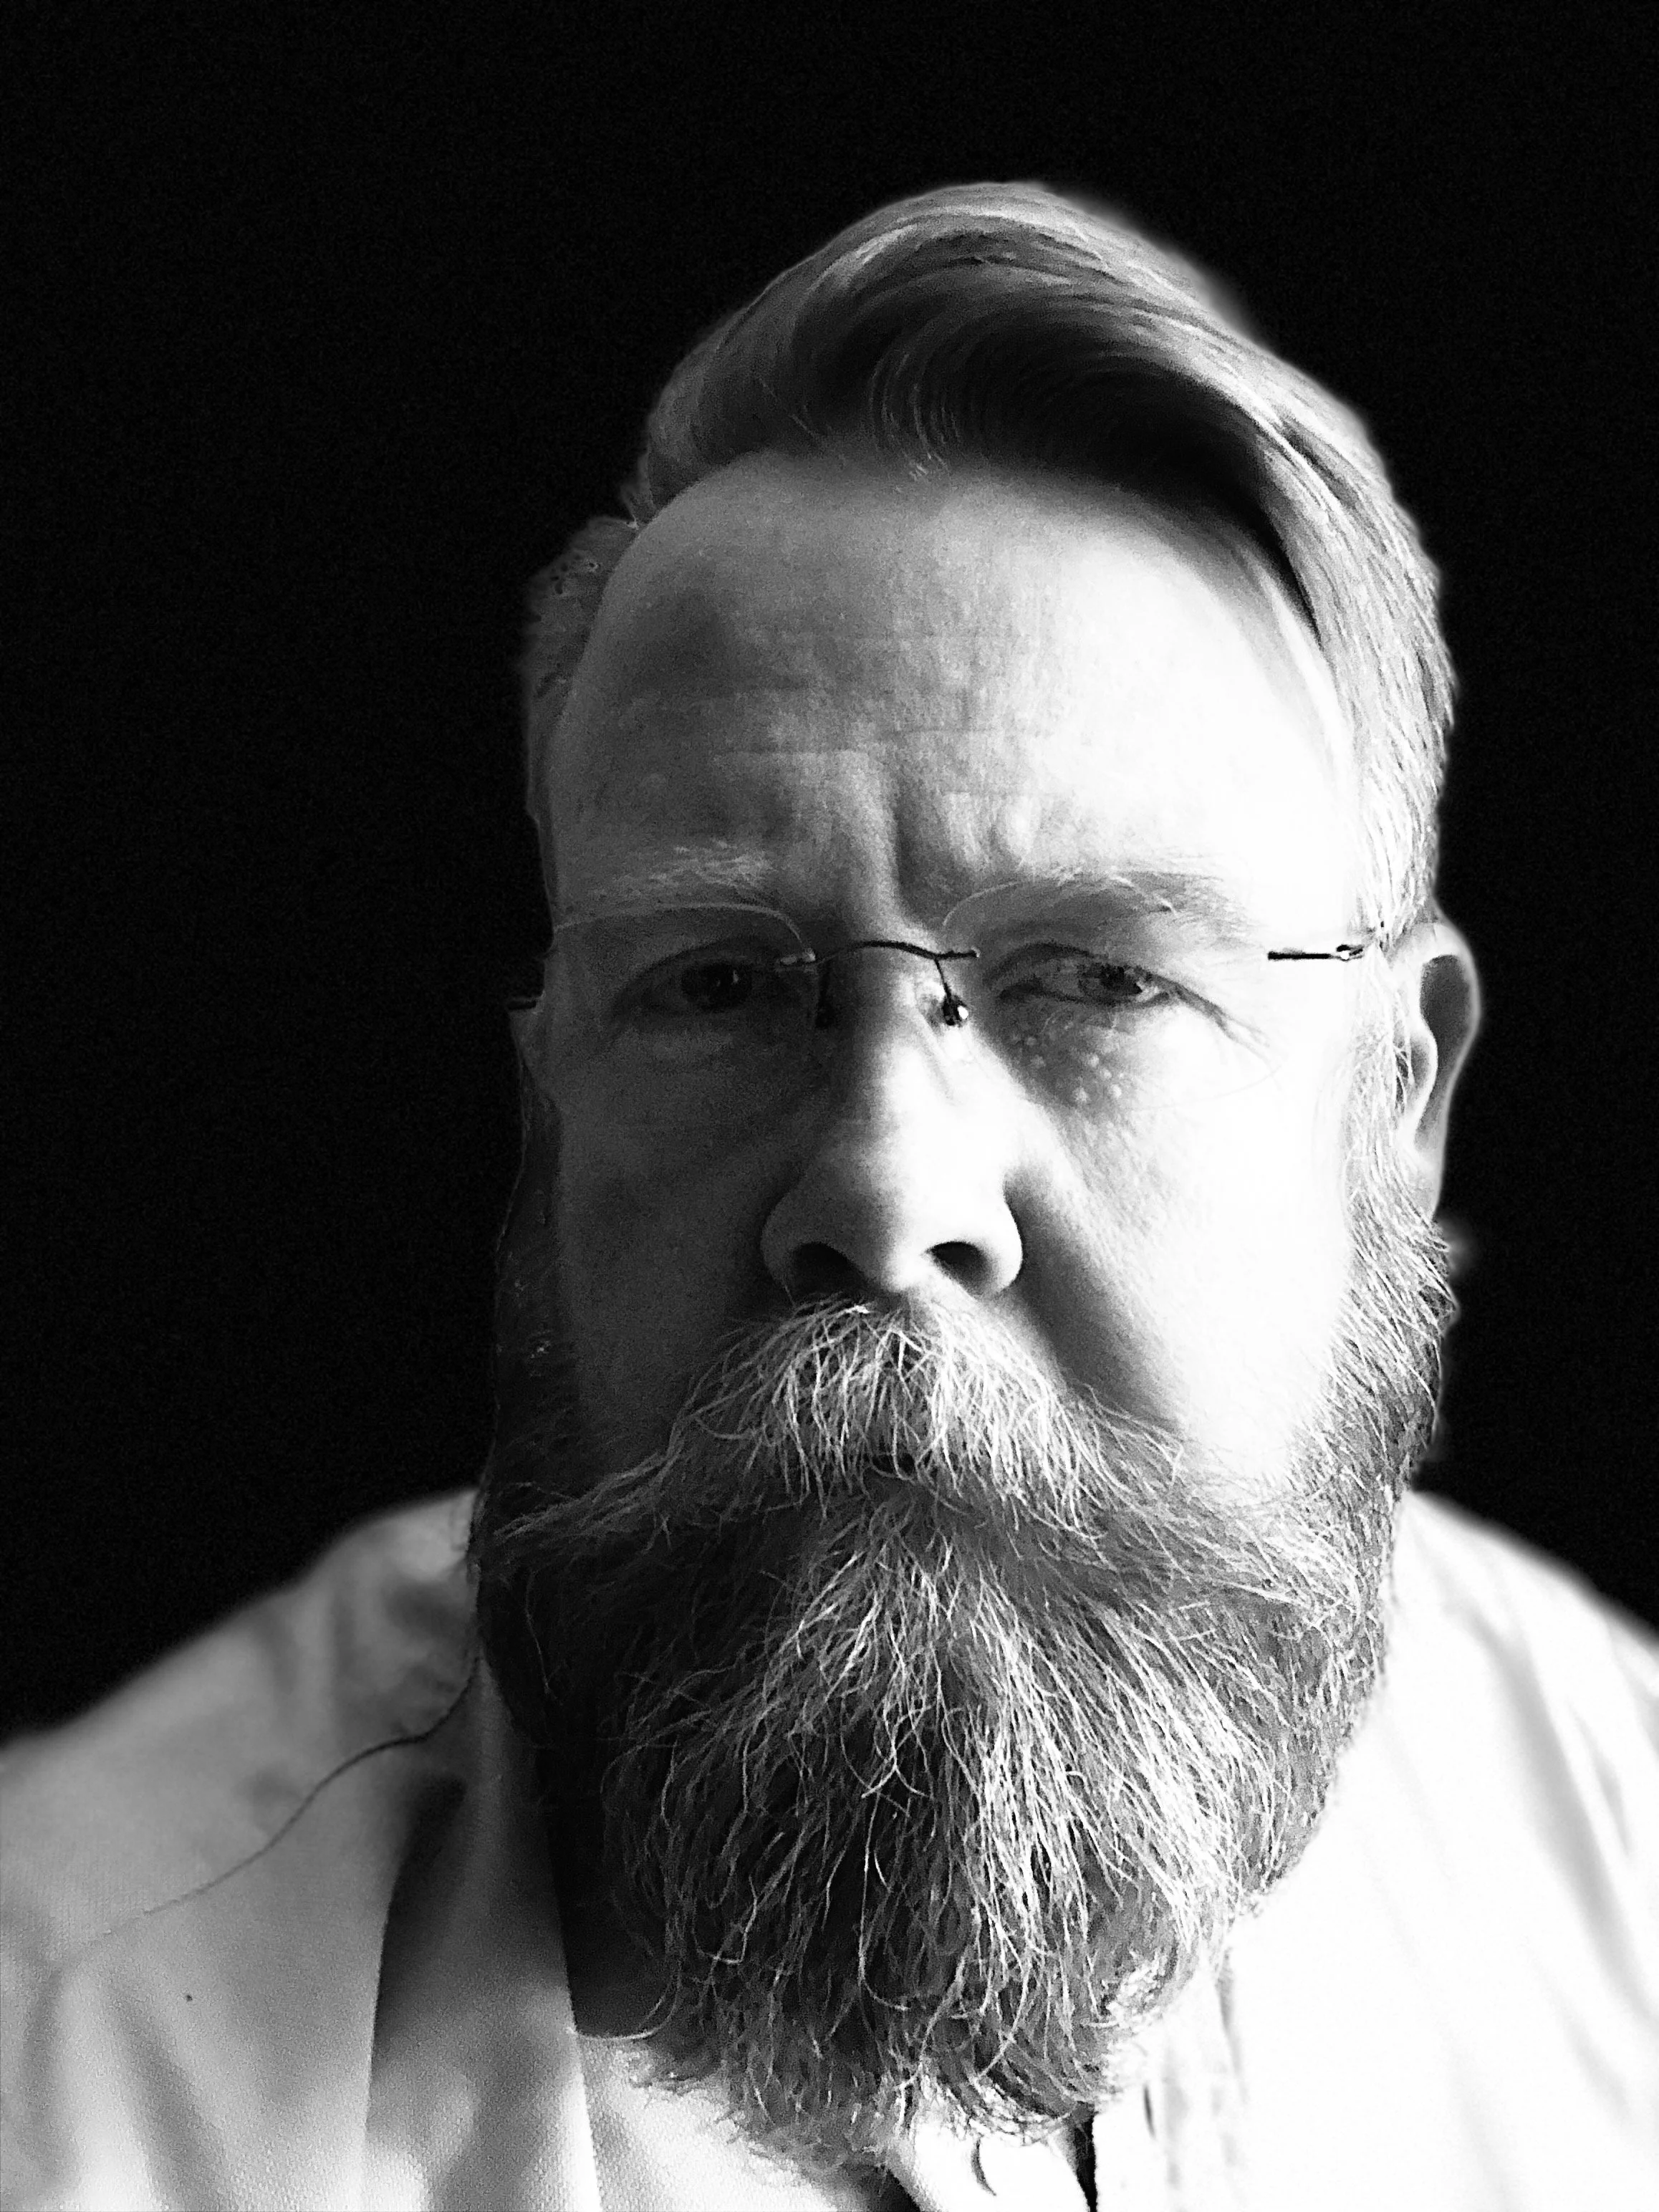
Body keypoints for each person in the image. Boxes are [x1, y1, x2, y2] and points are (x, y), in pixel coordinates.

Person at [4, 181, 1656, 2212]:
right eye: (716, 986)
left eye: (1095, 980)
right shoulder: (68, 2078)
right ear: (552, 1105)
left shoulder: (1604, 1813)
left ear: (1394, 1095)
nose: (885, 1189)